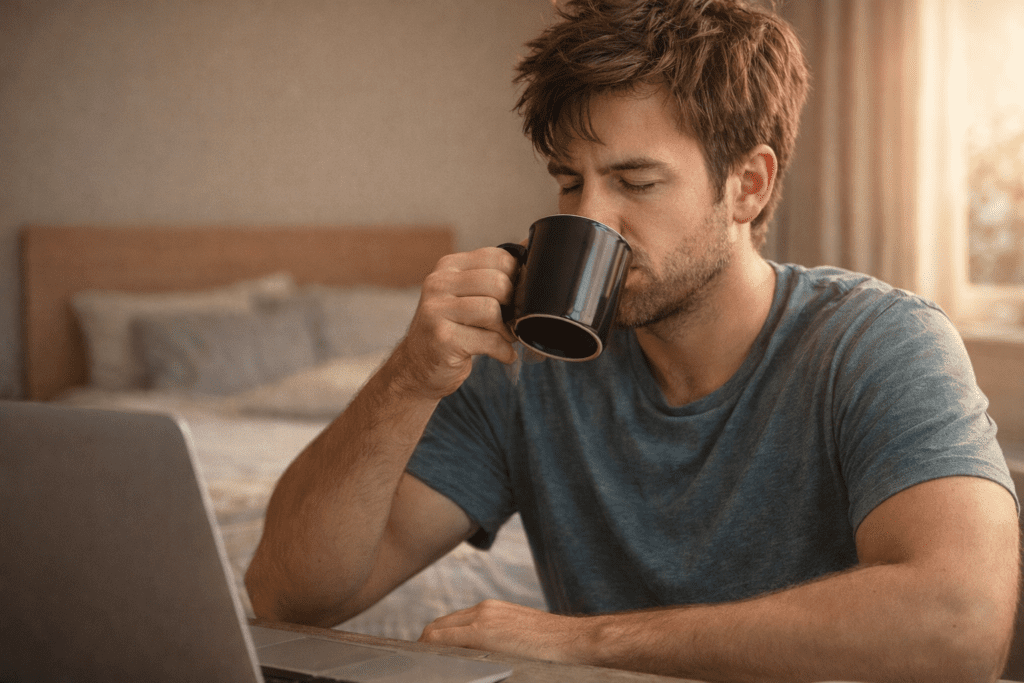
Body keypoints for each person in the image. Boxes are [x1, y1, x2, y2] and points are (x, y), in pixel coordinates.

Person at [246, 1, 1021, 680]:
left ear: (747, 185)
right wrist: (410, 377)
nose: (590, 218)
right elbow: (290, 593)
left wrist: (588, 644)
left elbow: (962, 624)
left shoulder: (877, 342)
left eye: (635, 182)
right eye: (568, 180)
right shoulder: (525, 367)